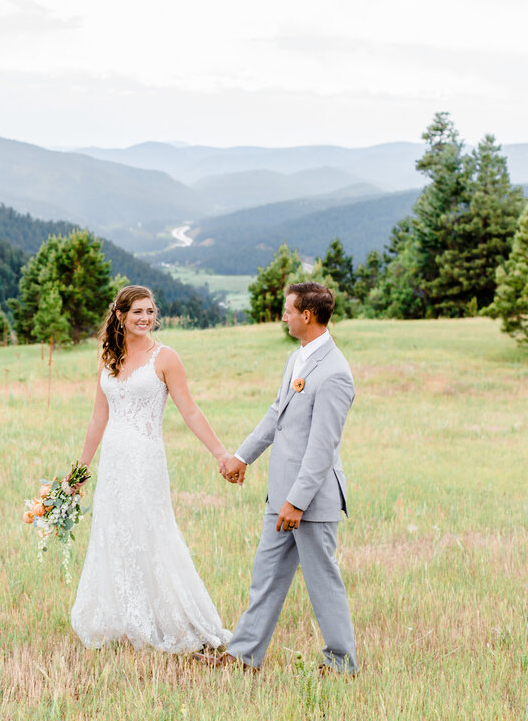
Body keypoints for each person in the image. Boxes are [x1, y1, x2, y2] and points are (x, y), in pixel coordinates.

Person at [200, 281, 359, 674]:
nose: (283, 316)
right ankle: (243, 657)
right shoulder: (297, 359)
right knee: (266, 578)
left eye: (288, 310)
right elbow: (277, 415)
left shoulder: (336, 373)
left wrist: (297, 501)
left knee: (323, 583)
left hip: (309, 501)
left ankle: (342, 664)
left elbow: (321, 448)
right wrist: (242, 457)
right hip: (280, 497)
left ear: (307, 315)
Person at [70, 285, 239, 652]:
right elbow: (98, 419)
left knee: (150, 533)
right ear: (120, 316)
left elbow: (190, 410)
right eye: (138, 312)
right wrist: (78, 474)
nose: (146, 318)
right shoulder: (107, 358)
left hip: (145, 461)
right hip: (113, 462)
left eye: (150, 311)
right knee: (115, 533)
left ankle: (171, 621)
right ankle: (128, 619)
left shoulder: (166, 358)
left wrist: (221, 453)